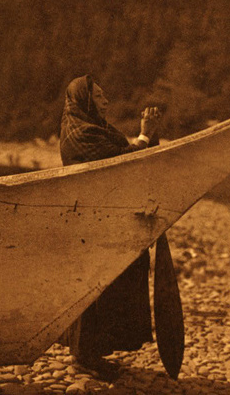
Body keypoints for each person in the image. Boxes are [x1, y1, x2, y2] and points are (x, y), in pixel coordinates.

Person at [58, 74, 161, 379]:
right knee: (96, 289)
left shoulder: (95, 127)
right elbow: (117, 164)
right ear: (86, 100)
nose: (106, 101)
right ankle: (84, 357)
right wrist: (143, 137)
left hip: (105, 218)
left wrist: (148, 137)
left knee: (112, 284)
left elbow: (126, 154)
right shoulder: (79, 133)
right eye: (99, 96)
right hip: (91, 223)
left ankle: (94, 354)